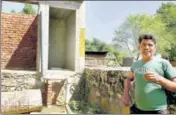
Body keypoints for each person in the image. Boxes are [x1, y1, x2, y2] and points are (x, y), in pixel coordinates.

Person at [121, 34, 176, 114]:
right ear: (139, 47)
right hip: (137, 109)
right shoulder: (135, 65)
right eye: (143, 45)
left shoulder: (163, 63)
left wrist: (159, 79)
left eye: (150, 45)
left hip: (158, 110)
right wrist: (125, 94)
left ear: (155, 48)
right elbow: (129, 79)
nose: (146, 47)